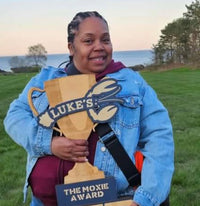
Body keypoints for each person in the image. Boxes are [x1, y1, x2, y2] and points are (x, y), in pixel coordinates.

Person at [4, 11, 174, 206]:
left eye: (105, 39)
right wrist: (49, 143)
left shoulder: (132, 83)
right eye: (88, 41)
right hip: (44, 201)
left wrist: (145, 200)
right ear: (71, 47)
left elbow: (160, 139)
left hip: (111, 200)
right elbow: (14, 117)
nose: (99, 47)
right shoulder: (45, 79)